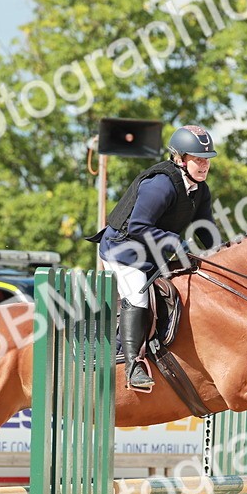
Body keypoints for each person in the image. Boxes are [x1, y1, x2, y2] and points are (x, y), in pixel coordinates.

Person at [88, 124, 221, 391]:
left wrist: (223, 254)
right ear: (180, 159)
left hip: (153, 250)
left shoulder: (200, 190)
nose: (204, 165)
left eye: (207, 159)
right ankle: (133, 366)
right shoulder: (161, 184)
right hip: (122, 248)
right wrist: (174, 241)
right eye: (198, 159)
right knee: (138, 295)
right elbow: (138, 226)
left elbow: (207, 230)